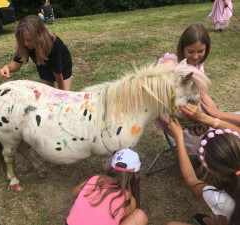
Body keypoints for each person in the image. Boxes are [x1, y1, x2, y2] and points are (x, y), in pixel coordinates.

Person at [164, 110, 240, 225]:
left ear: (209, 169)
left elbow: (192, 181)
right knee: (225, 212)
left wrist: (178, 138)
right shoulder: (225, 200)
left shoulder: (220, 199)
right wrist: (204, 118)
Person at [156, 24, 211, 154]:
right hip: (171, 115)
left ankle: (196, 150)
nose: (196, 56)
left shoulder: (198, 65)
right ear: (182, 48)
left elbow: (201, 92)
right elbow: (157, 89)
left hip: (190, 110)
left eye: (200, 51)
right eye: (191, 52)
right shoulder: (172, 62)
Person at [66, 148, 148, 225]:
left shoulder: (95, 179)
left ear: (111, 167)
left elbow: (74, 192)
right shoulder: (129, 200)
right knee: (139, 215)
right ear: (135, 175)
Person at [0, 15, 72, 91]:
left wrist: (61, 92)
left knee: (63, 96)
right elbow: (17, 63)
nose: (26, 43)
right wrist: (8, 67)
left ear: (39, 36)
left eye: (29, 40)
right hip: (43, 65)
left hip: (62, 67)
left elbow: (58, 72)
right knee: (46, 95)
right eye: (23, 39)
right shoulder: (24, 43)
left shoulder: (54, 45)